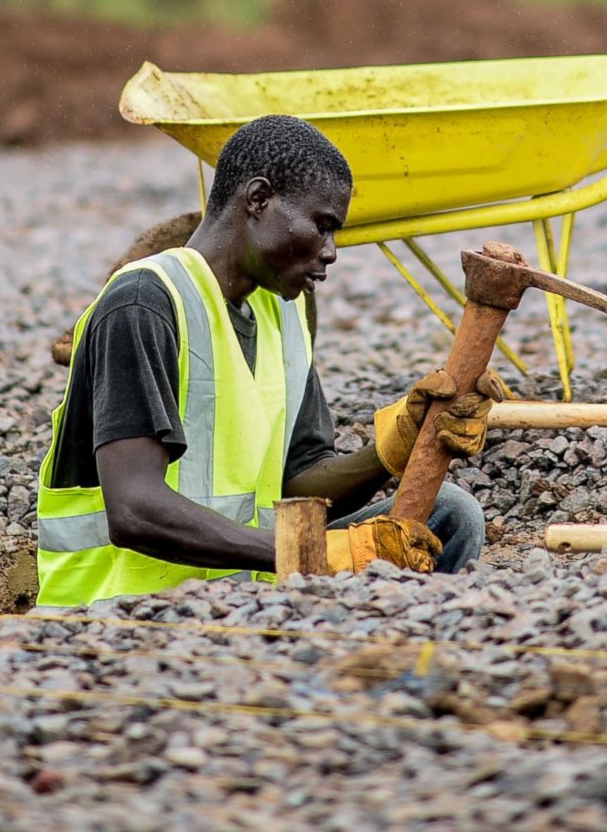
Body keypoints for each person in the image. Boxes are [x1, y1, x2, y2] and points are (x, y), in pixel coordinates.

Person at [34, 114, 495, 606]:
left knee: (449, 514)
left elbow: (297, 483)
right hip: (125, 617)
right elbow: (134, 510)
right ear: (258, 200)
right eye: (322, 226)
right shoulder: (145, 302)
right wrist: (316, 552)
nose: (332, 252)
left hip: (243, 595)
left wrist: (393, 448)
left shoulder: (282, 314)